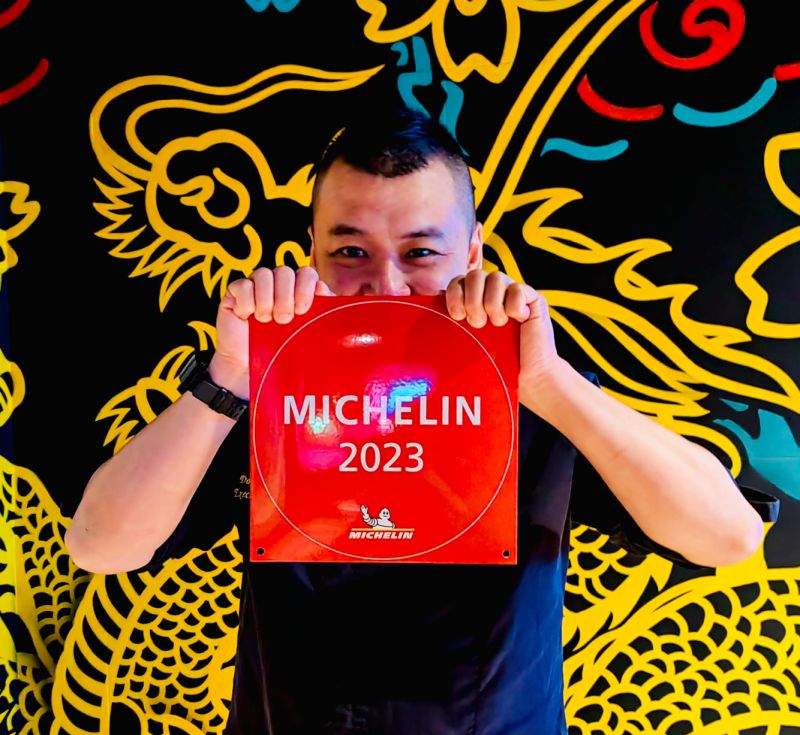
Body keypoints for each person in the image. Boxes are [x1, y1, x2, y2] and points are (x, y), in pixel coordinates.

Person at [65, 104, 778, 734]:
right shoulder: (261, 388)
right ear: (311, 251)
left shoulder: (536, 389)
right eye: (351, 251)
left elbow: (728, 535)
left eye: (420, 252)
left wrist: (549, 382)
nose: (386, 285)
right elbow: (101, 547)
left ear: (471, 253)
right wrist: (228, 379)